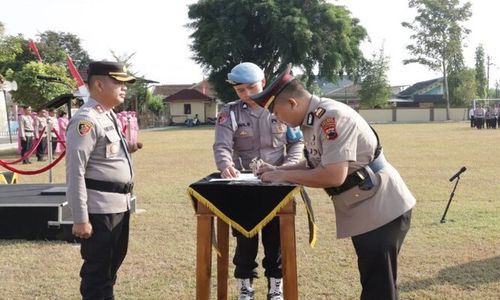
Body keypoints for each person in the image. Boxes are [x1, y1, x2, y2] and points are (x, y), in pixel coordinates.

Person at [251, 65, 416, 300]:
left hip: (380, 206)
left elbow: (333, 175)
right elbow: (314, 163)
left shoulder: (331, 118)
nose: (278, 120)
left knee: (378, 287)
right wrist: (278, 169)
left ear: (292, 104)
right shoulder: (312, 120)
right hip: (366, 205)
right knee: (375, 282)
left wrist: (283, 175)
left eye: (276, 113)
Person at [213, 62, 304, 300]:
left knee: (276, 240)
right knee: (245, 239)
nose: (248, 94)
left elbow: (296, 143)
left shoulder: (280, 107)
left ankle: (276, 287)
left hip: (277, 185)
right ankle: (246, 287)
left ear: (264, 83)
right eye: (240, 90)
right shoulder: (230, 112)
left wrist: (285, 170)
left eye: (252, 88)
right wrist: (226, 166)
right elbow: (222, 145)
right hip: (244, 186)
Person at [66, 61, 142, 300]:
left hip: (119, 206)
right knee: (97, 275)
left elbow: (103, 155)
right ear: (98, 84)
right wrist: (80, 219)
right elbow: (75, 172)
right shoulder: (85, 120)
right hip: (99, 211)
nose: (124, 87)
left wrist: (126, 148)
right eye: (118, 82)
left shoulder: (107, 115)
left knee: (109, 271)